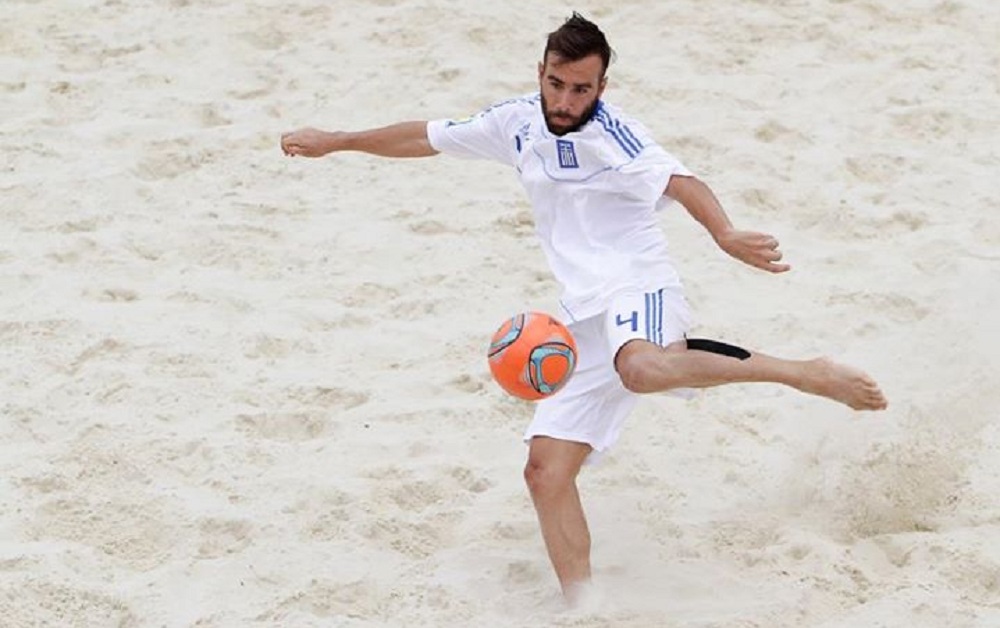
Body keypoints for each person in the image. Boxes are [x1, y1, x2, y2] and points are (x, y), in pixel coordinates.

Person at [280, 13, 888, 603]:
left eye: (581, 89)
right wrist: (339, 142)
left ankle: (803, 372)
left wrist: (725, 233)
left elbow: (682, 183)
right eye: (556, 84)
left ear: (602, 86)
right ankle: (585, 607)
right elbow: (427, 137)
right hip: (580, 318)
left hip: (638, 286)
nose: (566, 100)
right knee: (544, 471)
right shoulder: (515, 122)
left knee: (642, 368)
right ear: (540, 72)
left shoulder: (616, 135)